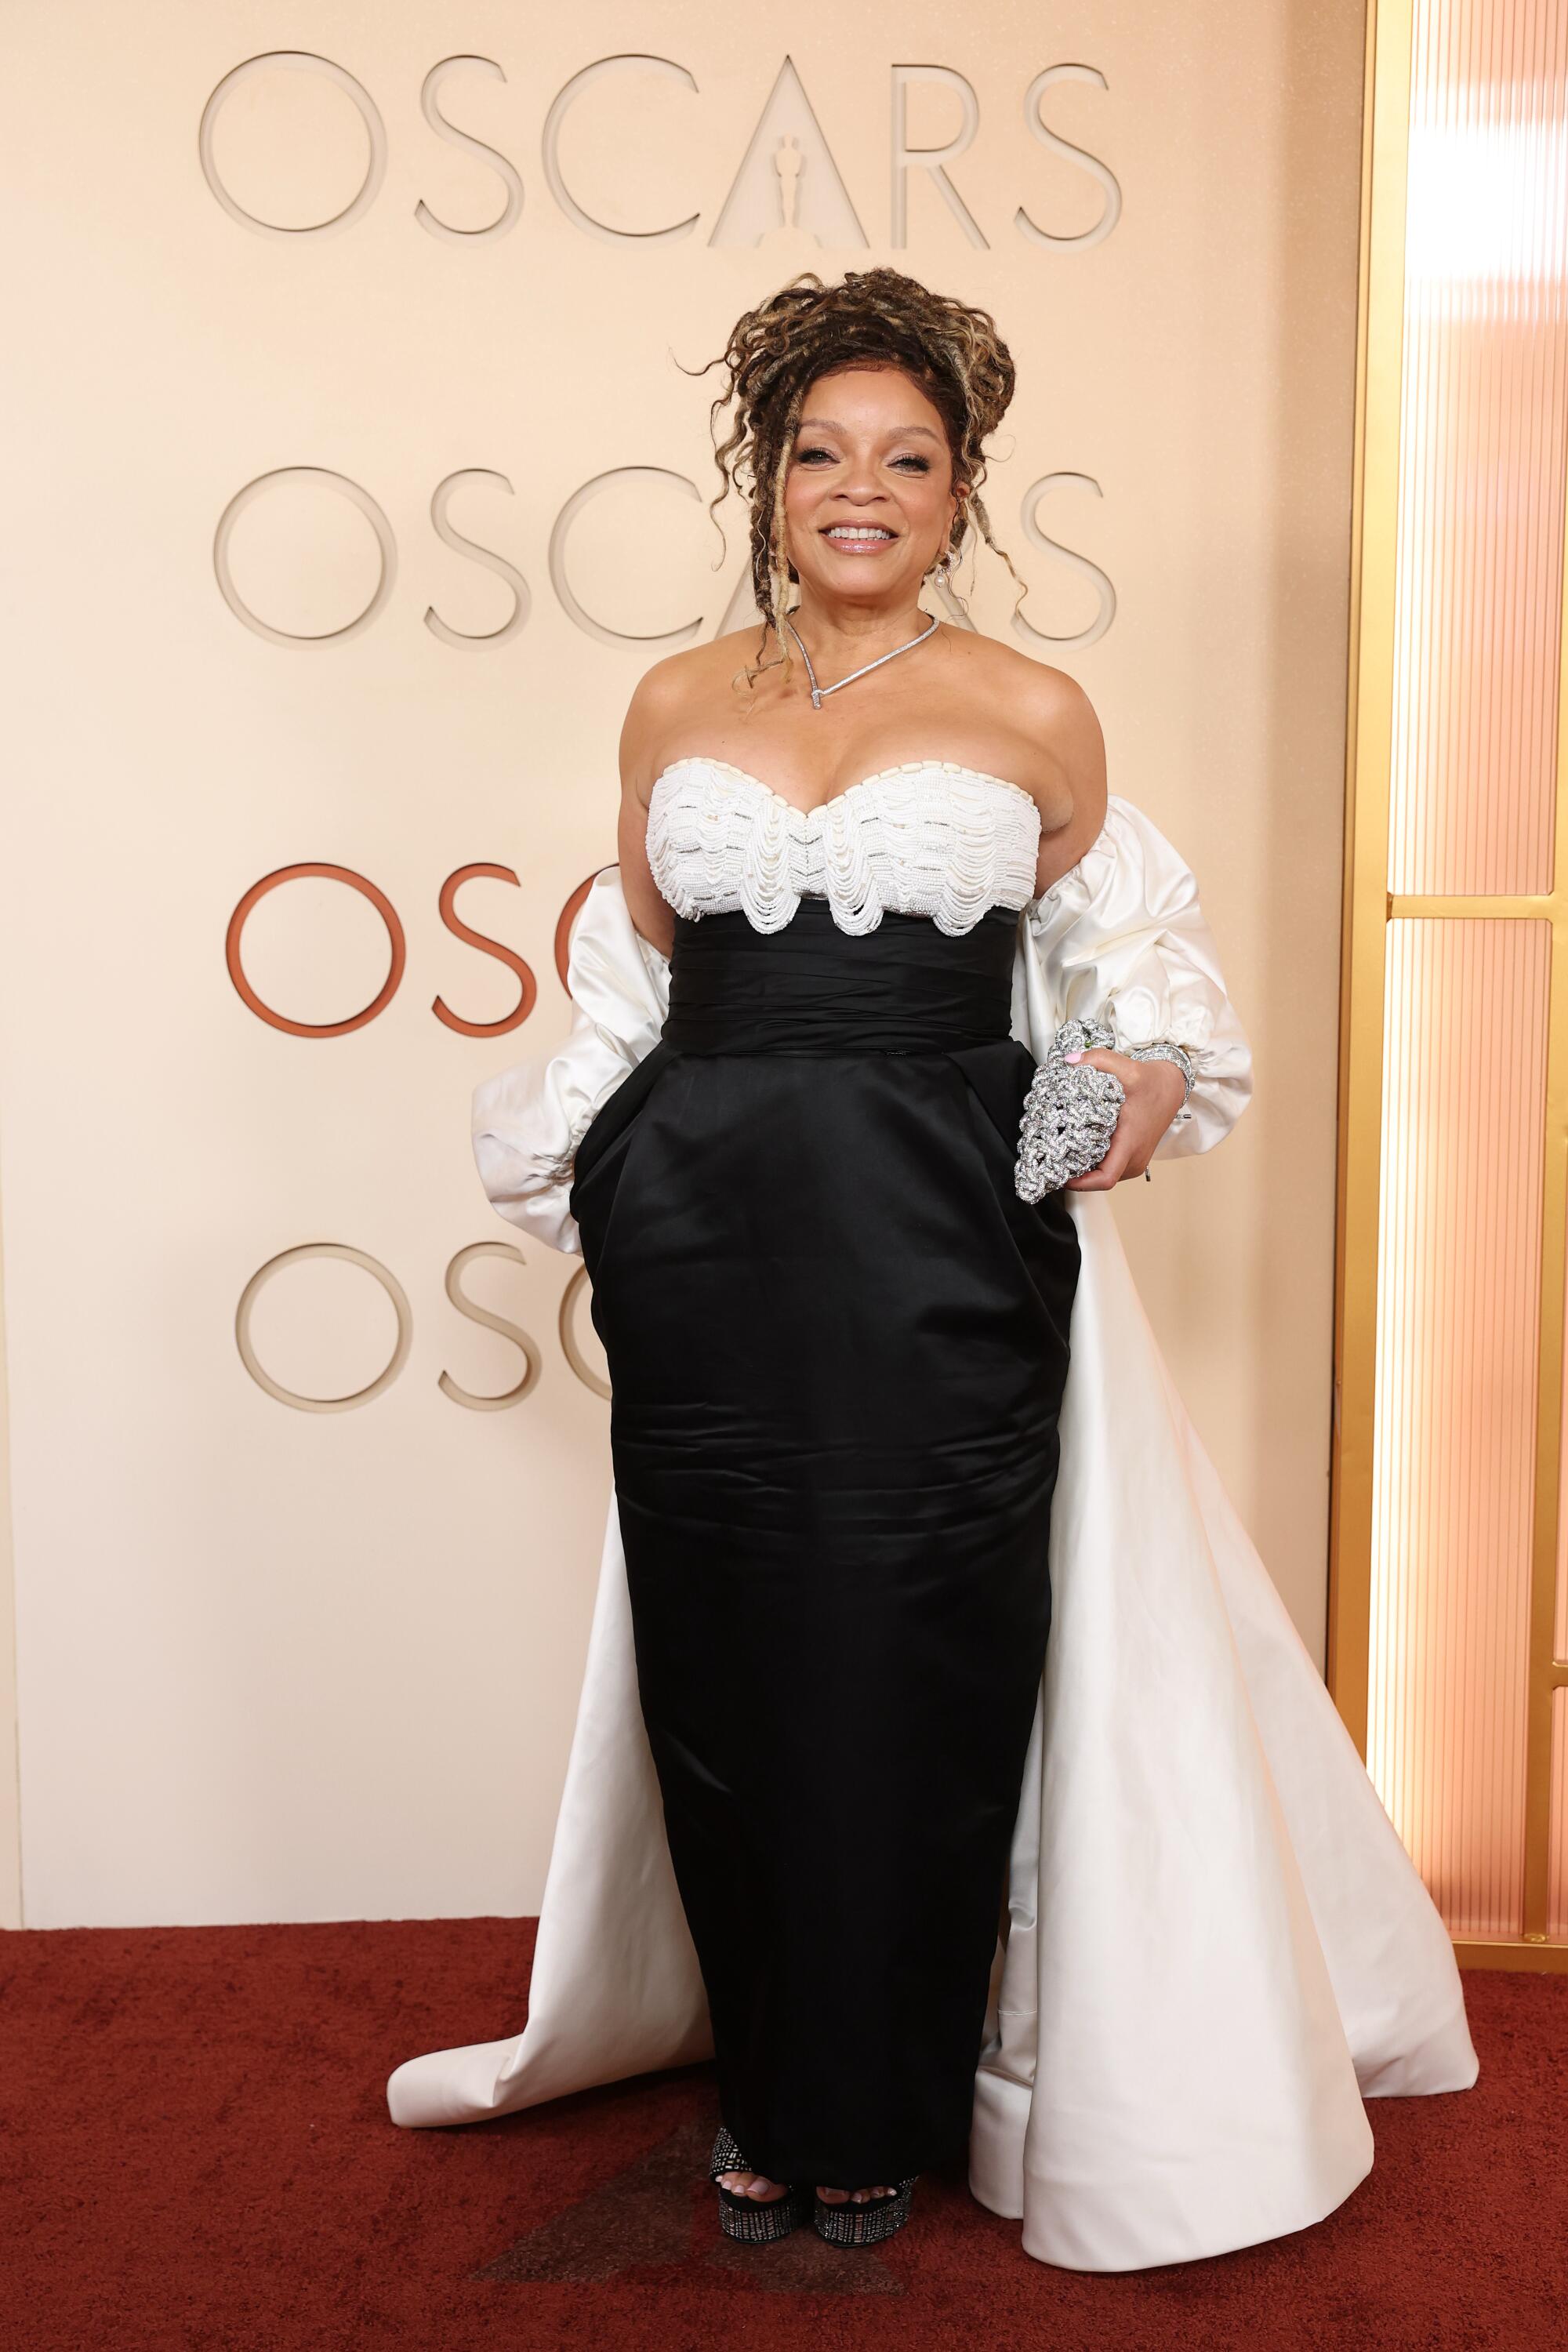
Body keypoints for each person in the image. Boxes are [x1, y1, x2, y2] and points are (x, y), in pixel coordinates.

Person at [387, 269, 1478, 2270]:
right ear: (769, 476)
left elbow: (1142, 987)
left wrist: (1093, 1114)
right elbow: (629, 973)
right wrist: (605, 1171)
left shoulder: (1030, 712)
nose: (860, 489)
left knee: (919, 1669)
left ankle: (876, 2109)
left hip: (938, 1254)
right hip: (705, 1252)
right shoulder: (675, 702)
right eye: (821, 453)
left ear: (961, 493)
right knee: (723, 1676)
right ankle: (770, 2100)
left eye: (907, 459)